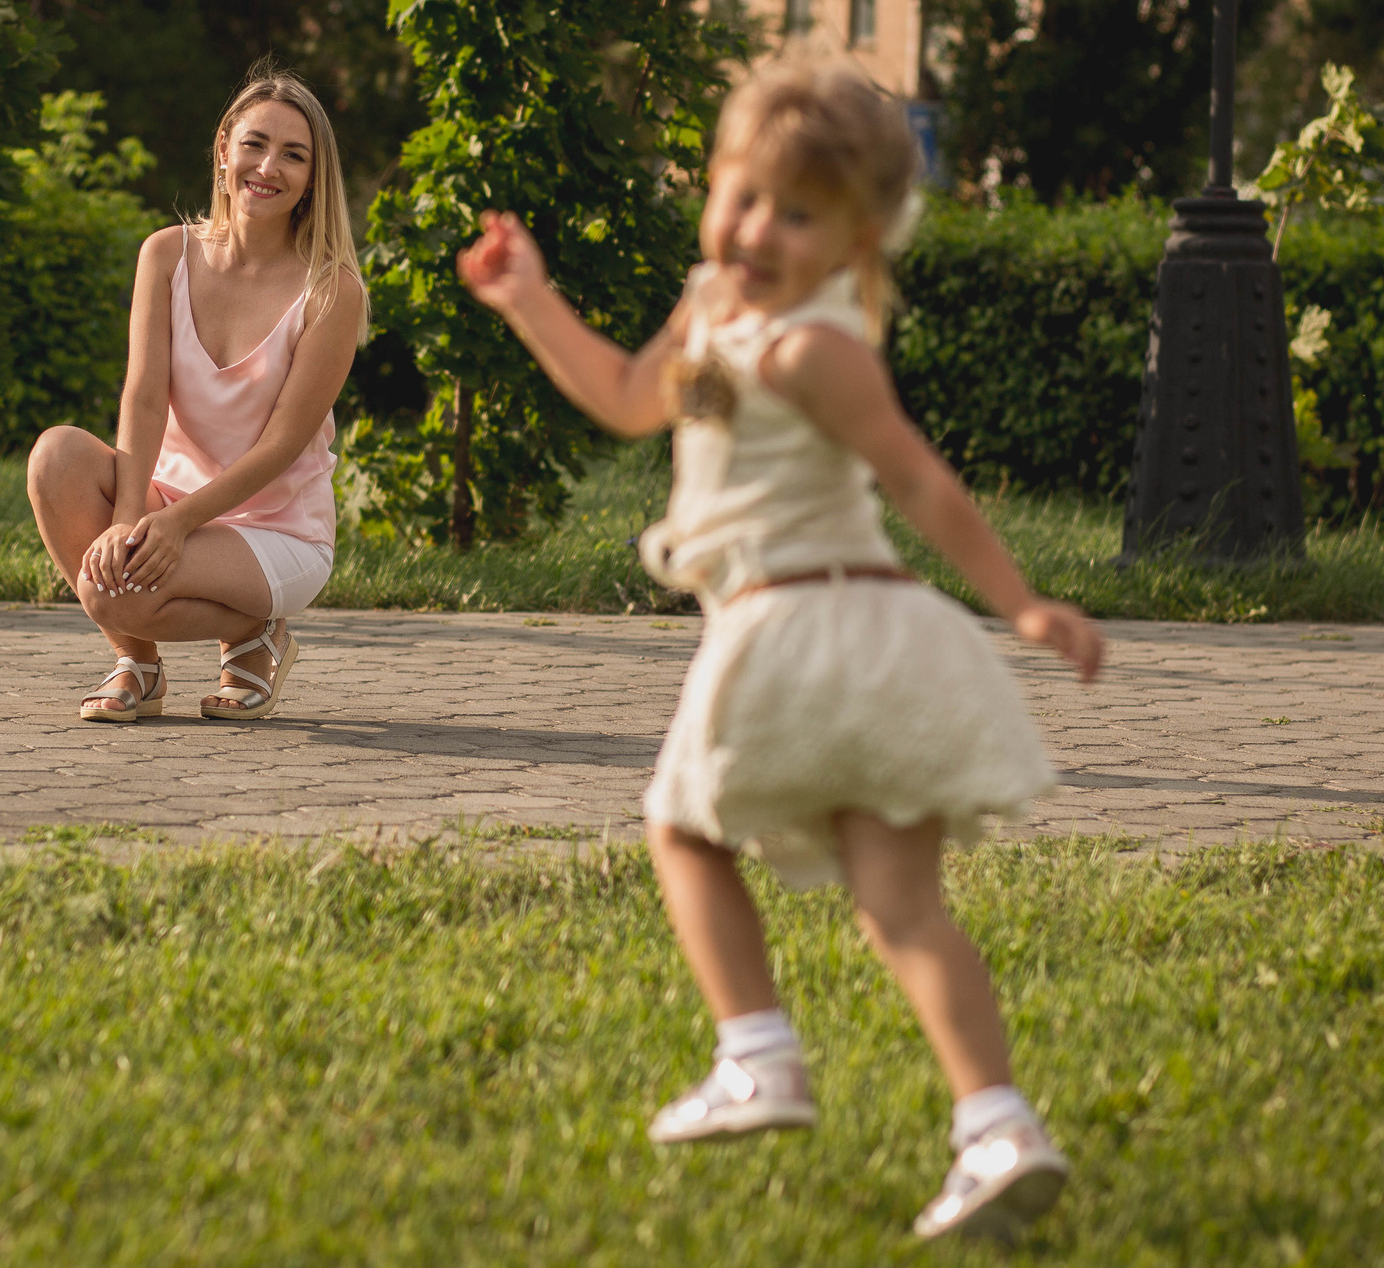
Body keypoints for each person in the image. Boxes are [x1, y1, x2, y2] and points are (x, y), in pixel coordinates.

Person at [455, 60, 1104, 1242]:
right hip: (873, 637)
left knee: (681, 826)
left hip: (794, 623)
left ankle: (758, 1058)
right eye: (742, 196)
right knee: (902, 910)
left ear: (857, 236)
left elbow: (919, 479)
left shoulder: (815, 349)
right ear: (712, 186)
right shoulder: (713, 306)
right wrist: (528, 302)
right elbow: (625, 396)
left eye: (796, 215)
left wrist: (1020, 604)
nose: (757, 231)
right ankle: (999, 1128)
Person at [27, 63, 366, 722]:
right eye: (254, 143)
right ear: (223, 149)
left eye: (294, 155)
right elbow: (144, 398)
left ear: (313, 179)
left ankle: (254, 634)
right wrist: (131, 514)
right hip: (168, 502)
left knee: (112, 592)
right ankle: (139, 665)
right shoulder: (165, 255)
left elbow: (283, 443)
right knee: (55, 456)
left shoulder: (331, 290)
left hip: (277, 529)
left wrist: (177, 526)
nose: (268, 166)